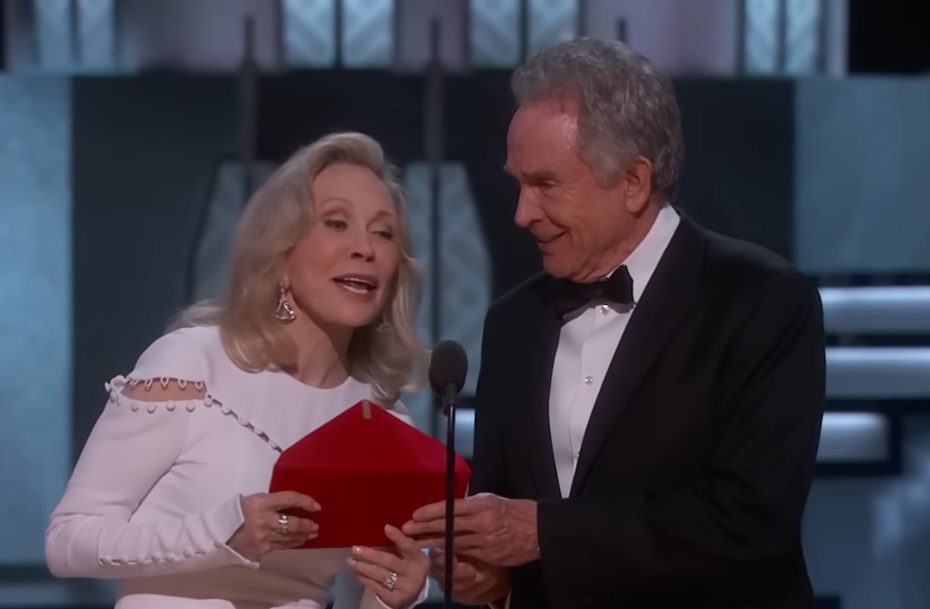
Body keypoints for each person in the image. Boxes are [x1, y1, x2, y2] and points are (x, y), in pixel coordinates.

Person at [403, 38, 826, 608]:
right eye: (517, 184)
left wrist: (543, 534)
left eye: (546, 184)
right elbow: (503, 520)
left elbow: (750, 518)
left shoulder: (762, 301)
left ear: (633, 182)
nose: (521, 213)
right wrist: (493, 582)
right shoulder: (513, 322)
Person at [46, 132, 433, 609]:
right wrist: (223, 533)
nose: (364, 248)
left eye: (383, 232)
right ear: (281, 252)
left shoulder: (385, 424)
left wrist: (395, 594)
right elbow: (67, 540)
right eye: (336, 223)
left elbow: (362, 591)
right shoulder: (191, 365)